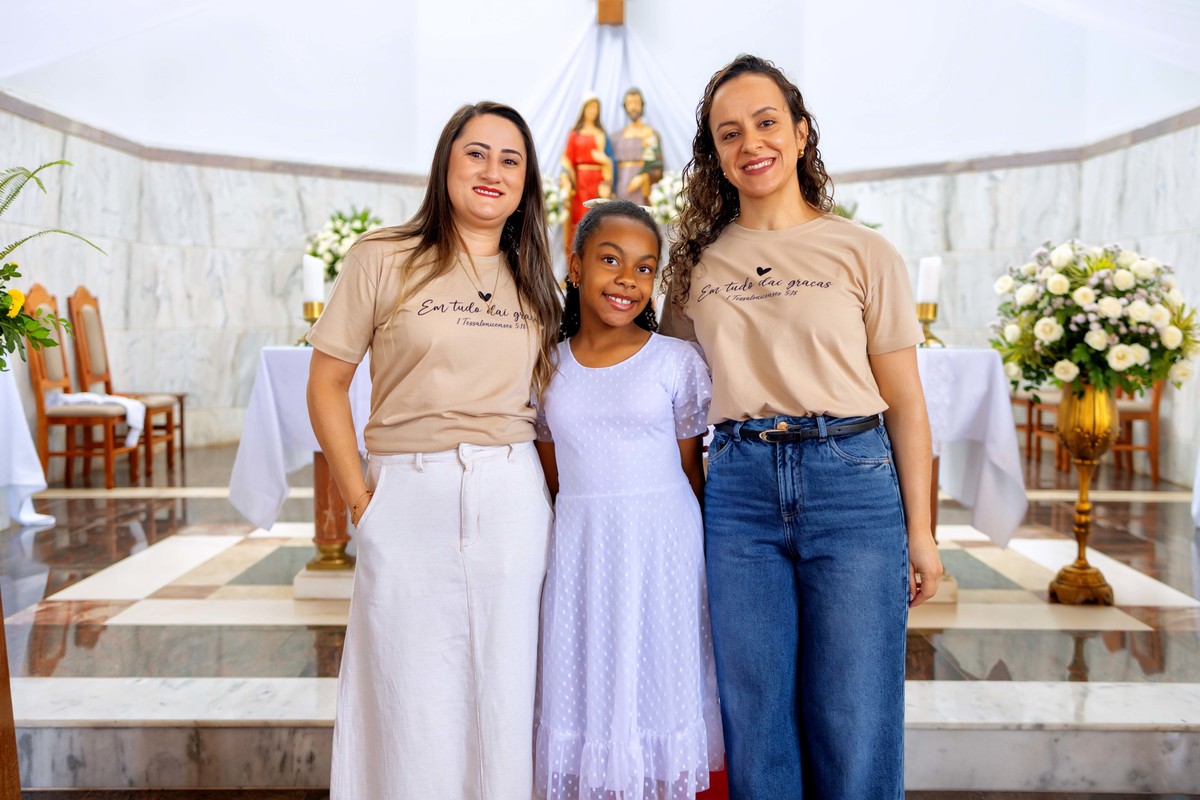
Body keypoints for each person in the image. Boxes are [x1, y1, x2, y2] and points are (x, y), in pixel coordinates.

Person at [660, 55, 943, 800]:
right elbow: (672, 395)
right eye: (729, 132)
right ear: (715, 153)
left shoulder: (863, 251)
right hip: (740, 488)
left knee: (854, 708)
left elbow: (907, 402)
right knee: (755, 711)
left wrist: (921, 532)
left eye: (766, 123)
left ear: (800, 132)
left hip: (850, 479)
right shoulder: (694, 267)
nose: (750, 143)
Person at [305, 101, 561, 799]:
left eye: (510, 160)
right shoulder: (383, 257)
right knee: (409, 694)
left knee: (505, 690)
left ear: (526, 182)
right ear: (446, 162)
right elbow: (326, 384)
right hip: (408, 494)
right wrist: (361, 500)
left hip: (510, 497)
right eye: (476, 153)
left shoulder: (535, 275)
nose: (492, 171)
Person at [533, 200, 724, 800]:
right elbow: (553, 476)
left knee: (658, 677)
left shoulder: (677, 361)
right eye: (610, 260)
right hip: (584, 547)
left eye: (644, 268)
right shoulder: (547, 368)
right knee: (589, 673)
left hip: (663, 547)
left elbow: (691, 469)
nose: (627, 280)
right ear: (575, 267)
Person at [561, 94, 614, 254]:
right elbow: (567, 160)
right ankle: (576, 258)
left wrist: (607, 177)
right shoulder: (574, 134)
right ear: (583, 109)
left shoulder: (601, 134)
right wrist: (568, 180)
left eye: (595, 108)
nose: (592, 111)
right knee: (579, 218)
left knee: (597, 219)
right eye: (590, 107)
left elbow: (609, 160)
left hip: (597, 181)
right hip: (580, 182)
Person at [614, 87, 664, 204]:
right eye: (629, 103)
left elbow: (658, 166)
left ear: (642, 105)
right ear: (625, 106)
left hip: (642, 189)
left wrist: (644, 176)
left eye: (636, 103)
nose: (633, 107)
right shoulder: (617, 137)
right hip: (621, 187)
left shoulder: (651, 134)